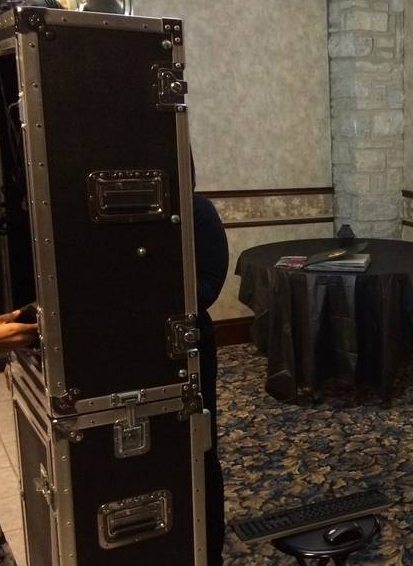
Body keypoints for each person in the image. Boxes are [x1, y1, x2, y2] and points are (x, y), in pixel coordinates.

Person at [193, 191, 229, 566]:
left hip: (191, 344)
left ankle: (210, 550)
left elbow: (209, 285)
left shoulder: (198, 210)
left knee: (202, 448)